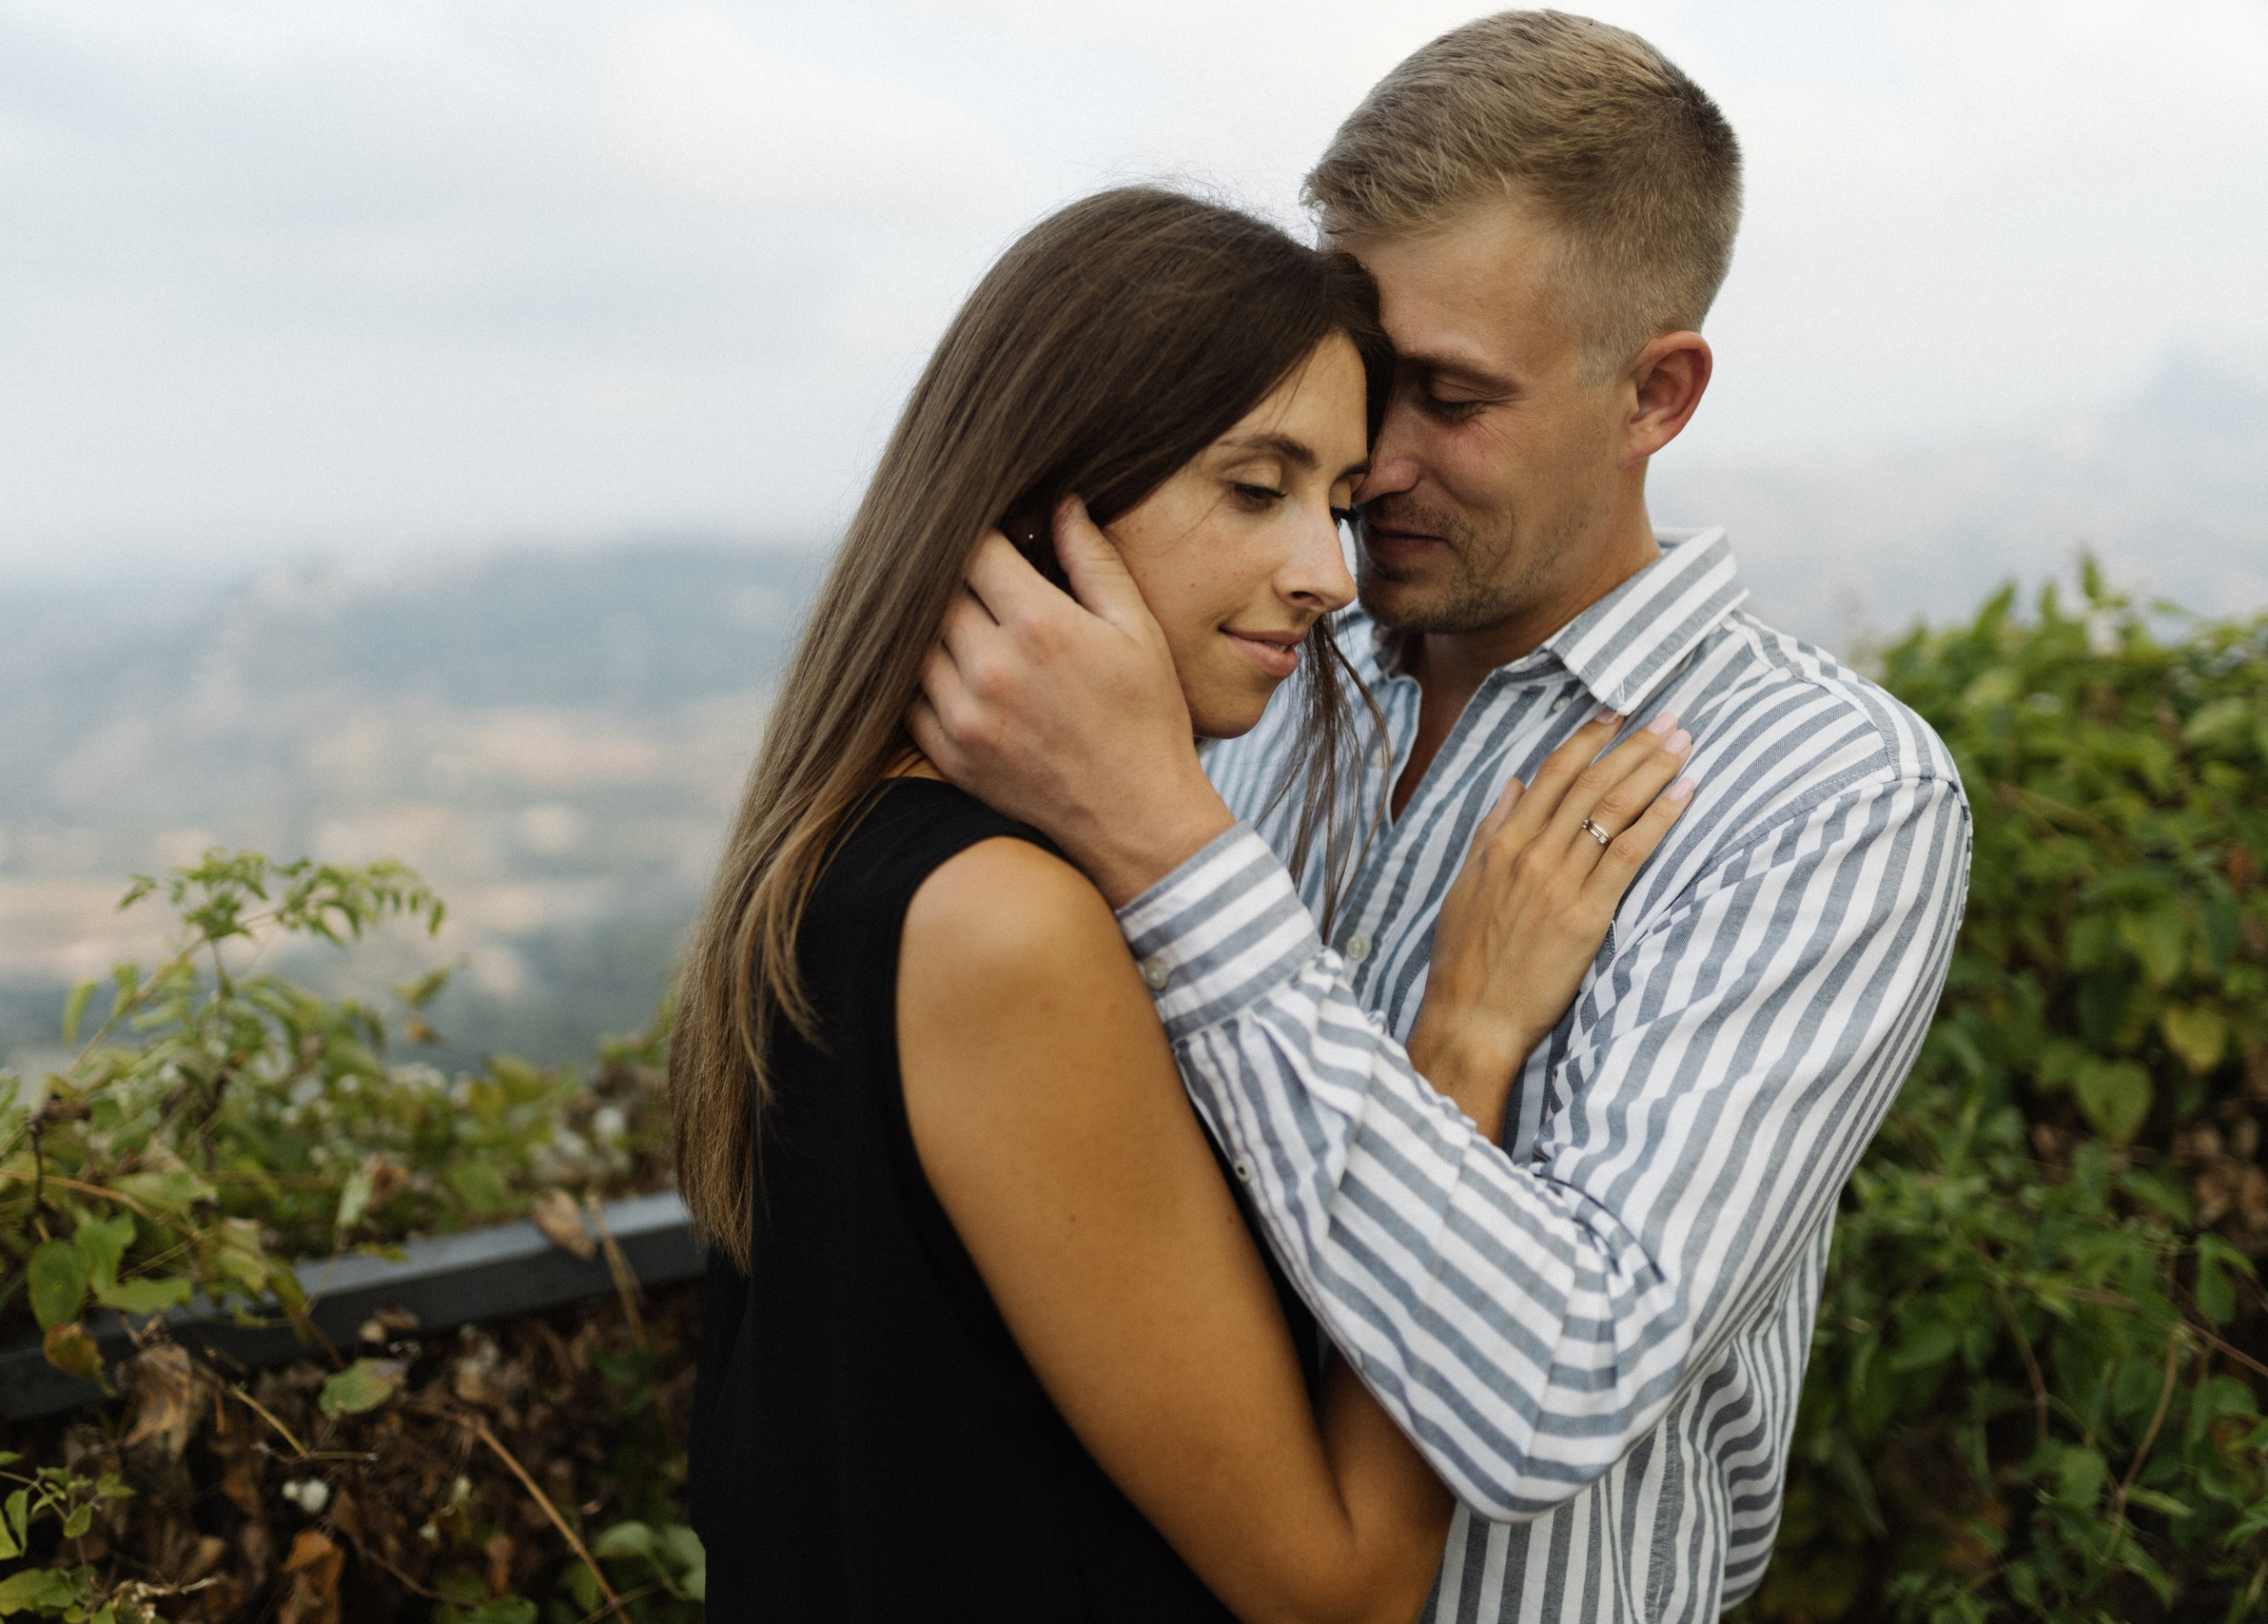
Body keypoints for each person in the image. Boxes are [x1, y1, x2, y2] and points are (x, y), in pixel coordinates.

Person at [911, 13, 1974, 1623]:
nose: (1371, 463)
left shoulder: (1823, 796)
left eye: (1451, 397)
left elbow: (1553, 1389)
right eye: (1357, 378)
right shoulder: (1239, 663)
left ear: (1657, 393)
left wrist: (1166, 848)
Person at [670, 186, 1699, 1622]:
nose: (1326, 577)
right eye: (1254, 486)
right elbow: (1338, 1585)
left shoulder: (854, 848)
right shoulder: (1006, 923)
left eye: (1337, 505)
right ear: (1050, 492)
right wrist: (1463, 1043)